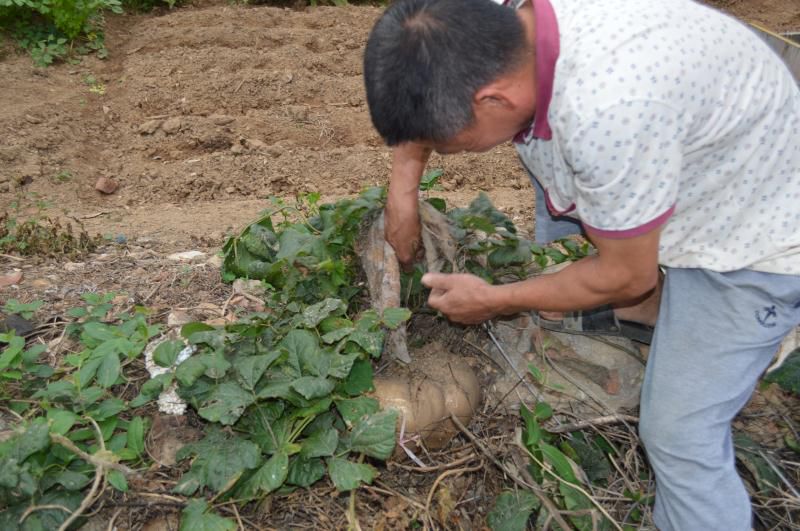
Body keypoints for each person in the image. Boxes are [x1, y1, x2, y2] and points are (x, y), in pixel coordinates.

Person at [363, 0, 800, 529]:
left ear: (493, 98)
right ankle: (649, 316)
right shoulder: (491, 21)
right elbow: (426, 70)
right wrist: (402, 190)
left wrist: (497, 299)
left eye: (444, 144)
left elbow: (625, 274)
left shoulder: (609, 113)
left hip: (758, 227)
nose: (443, 153)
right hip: (687, 135)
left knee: (679, 436)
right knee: (597, 201)